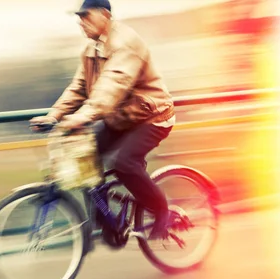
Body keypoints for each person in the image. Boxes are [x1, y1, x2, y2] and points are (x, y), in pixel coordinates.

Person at [30, 0, 176, 240]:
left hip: (151, 116)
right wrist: (54, 115)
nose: (81, 21)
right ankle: (107, 219)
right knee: (86, 159)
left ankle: (162, 211)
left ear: (105, 15)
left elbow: (111, 87)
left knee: (124, 163)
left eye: (86, 16)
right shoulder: (91, 49)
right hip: (120, 118)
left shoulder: (126, 44)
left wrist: (82, 117)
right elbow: (78, 88)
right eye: (79, 17)